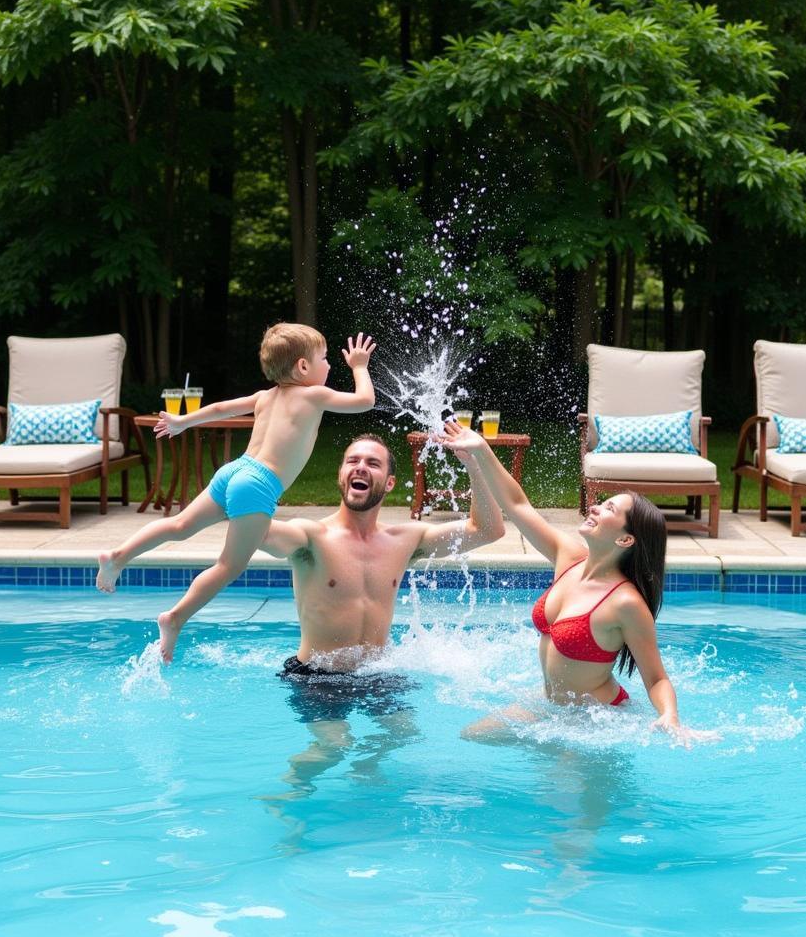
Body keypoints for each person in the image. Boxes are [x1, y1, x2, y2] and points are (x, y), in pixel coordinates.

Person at [96, 324, 377, 662]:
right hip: (258, 485)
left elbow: (220, 409)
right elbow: (365, 401)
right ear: (303, 367)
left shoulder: (264, 397)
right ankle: (175, 618)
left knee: (180, 524)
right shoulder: (312, 395)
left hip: (234, 471)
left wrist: (184, 421)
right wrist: (359, 366)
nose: (329, 364)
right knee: (229, 565)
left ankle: (119, 556)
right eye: (324, 358)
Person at [437, 420, 713, 745]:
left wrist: (670, 716)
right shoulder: (568, 558)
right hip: (549, 705)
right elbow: (517, 504)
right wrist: (482, 452)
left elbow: (655, 678)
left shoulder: (625, 604)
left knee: (562, 794)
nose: (595, 506)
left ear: (626, 540)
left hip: (593, 720)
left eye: (609, 508)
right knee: (470, 738)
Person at [257, 432, 505, 794]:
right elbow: (261, 534)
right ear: (341, 475)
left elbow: (488, 530)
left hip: (376, 672)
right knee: (334, 747)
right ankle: (291, 791)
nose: (360, 467)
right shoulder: (310, 536)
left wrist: (473, 465)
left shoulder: (405, 539)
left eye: (372, 463)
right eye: (352, 461)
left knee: (406, 733)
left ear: (388, 482)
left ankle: (367, 765)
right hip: (318, 676)